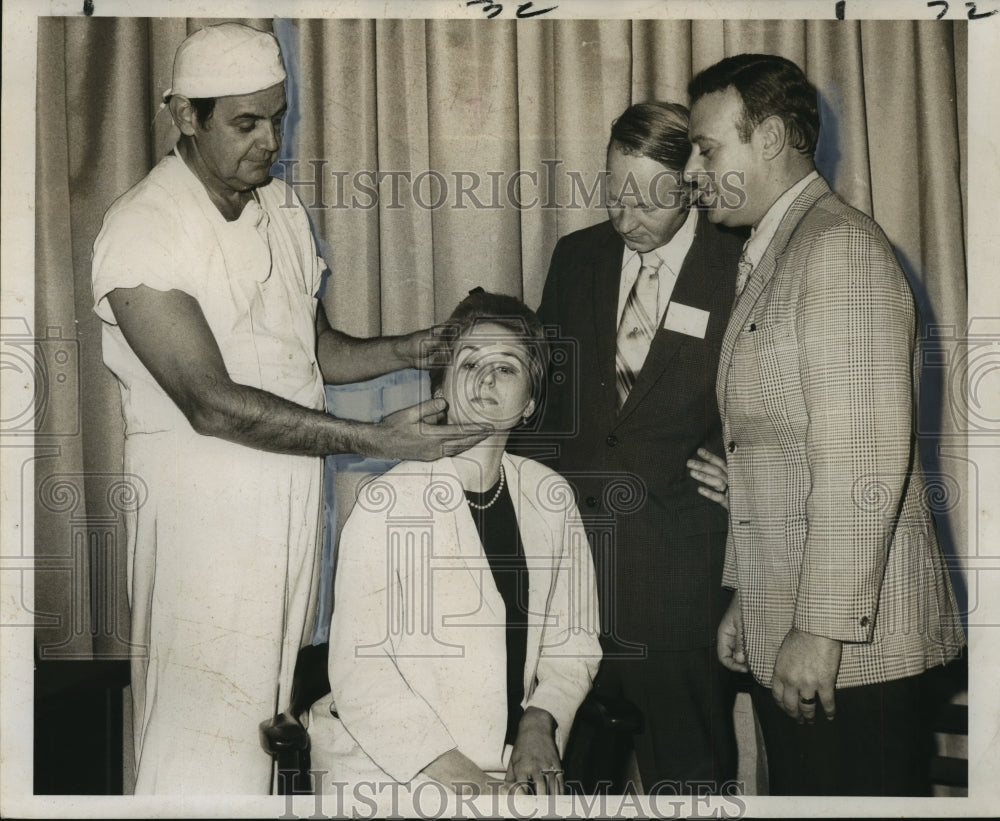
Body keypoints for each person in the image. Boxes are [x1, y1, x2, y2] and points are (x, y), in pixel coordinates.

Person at [90, 23, 487, 794]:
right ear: (185, 117)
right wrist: (373, 438)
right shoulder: (143, 226)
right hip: (201, 512)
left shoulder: (280, 206)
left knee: (265, 728)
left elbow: (317, 353)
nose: (270, 140)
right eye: (245, 122)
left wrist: (415, 346)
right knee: (196, 735)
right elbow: (212, 404)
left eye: (277, 117)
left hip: (290, 503)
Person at [684, 53, 966, 795]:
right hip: (808, 631)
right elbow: (772, 455)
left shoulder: (836, 249)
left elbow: (860, 462)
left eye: (707, 148)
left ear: (771, 137)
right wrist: (750, 595)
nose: (691, 169)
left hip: (854, 648)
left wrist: (819, 629)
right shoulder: (782, 250)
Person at [308, 290, 602, 798]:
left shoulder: (549, 495)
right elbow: (362, 675)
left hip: (509, 766)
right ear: (442, 383)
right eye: (470, 363)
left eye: (507, 367)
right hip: (391, 771)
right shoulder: (387, 501)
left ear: (531, 401)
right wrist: (472, 786)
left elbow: (573, 643)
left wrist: (540, 720)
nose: (487, 378)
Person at [531, 102, 744, 793]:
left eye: (649, 196)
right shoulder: (577, 257)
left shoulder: (741, 265)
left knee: (689, 783)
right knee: (574, 783)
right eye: (613, 189)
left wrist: (754, 473)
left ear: (692, 181)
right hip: (574, 585)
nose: (625, 216)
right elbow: (548, 409)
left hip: (681, 585)